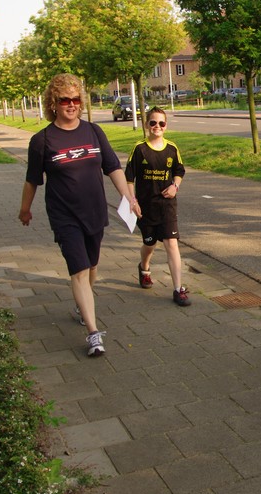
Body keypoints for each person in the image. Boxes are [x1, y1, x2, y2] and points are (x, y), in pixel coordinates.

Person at [19, 74, 132, 357]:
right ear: (53, 104)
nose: (71, 104)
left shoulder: (93, 131)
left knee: (92, 265)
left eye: (75, 99)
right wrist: (25, 209)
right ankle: (93, 333)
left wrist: (128, 197)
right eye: (64, 100)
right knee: (79, 269)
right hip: (64, 215)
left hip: (94, 210)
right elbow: (32, 180)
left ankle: (82, 306)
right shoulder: (42, 140)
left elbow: (113, 167)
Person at [124, 106, 190, 307]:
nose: (157, 126)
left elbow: (179, 171)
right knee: (150, 244)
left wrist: (175, 187)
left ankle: (178, 289)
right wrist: (133, 201)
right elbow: (129, 178)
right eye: (153, 122)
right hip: (146, 207)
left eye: (161, 123)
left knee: (172, 243)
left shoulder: (172, 148)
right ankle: (144, 267)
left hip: (167, 206)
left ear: (166, 126)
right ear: (147, 125)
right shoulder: (139, 149)